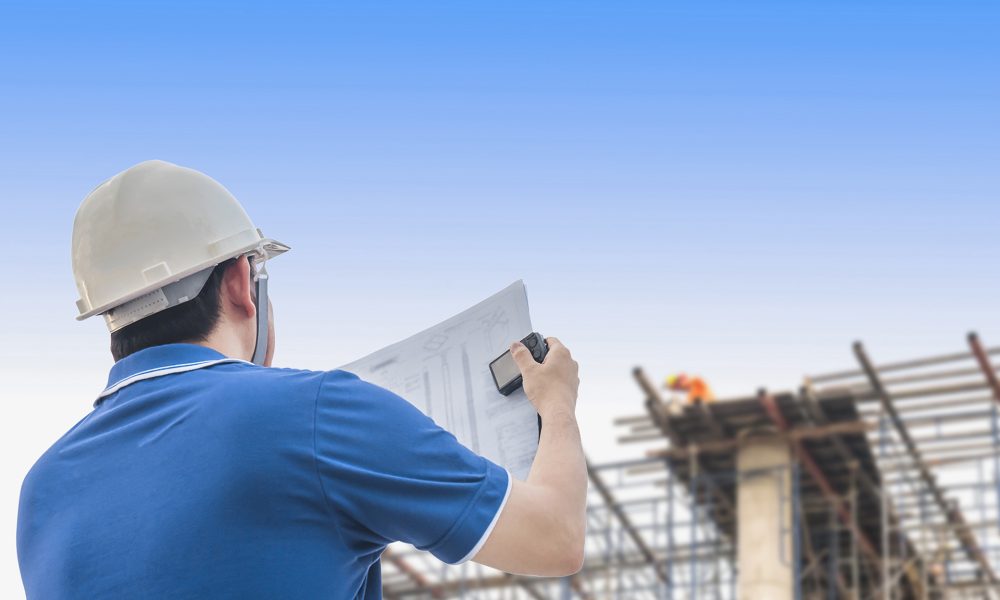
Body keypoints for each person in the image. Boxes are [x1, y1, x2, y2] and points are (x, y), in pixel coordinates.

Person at [16, 160, 586, 599]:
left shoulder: (41, 490)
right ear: (243, 280)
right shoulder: (314, 413)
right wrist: (556, 405)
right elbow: (556, 538)